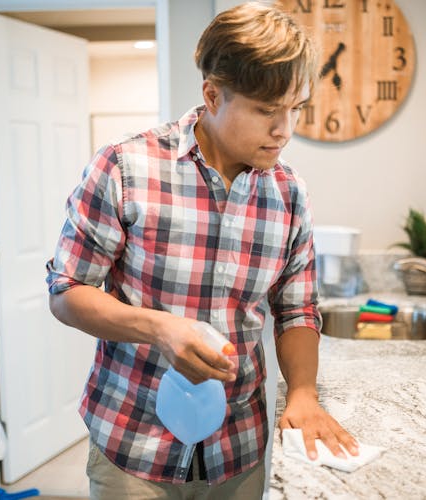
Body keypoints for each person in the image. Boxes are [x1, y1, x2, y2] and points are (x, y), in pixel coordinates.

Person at [45, 2, 358, 498]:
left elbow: (297, 309)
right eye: (266, 110)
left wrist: (302, 392)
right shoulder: (126, 167)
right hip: (133, 439)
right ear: (212, 95)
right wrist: (160, 328)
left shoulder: (289, 192)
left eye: (295, 109)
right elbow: (66, 292)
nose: (285, 129)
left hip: (237, 448)